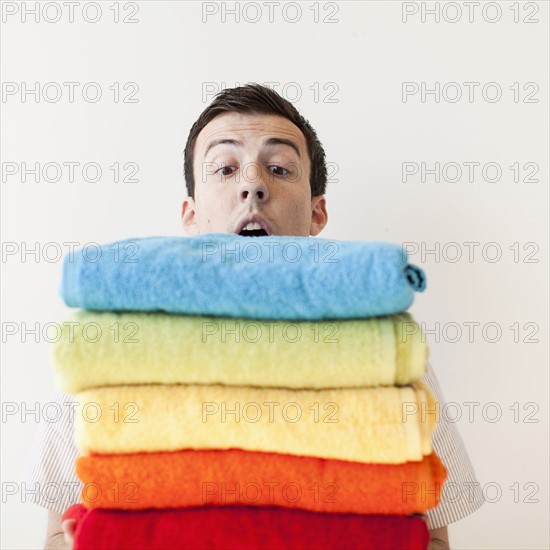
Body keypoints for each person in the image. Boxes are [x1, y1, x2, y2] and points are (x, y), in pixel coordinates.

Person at [24, 83, 484, 549]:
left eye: (280, 168)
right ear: (191, 214)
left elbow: (433, 539)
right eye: (224, 168)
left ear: (316, 214)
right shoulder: (116, 346)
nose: (252, 183)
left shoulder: (380, 348)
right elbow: (57, 537)